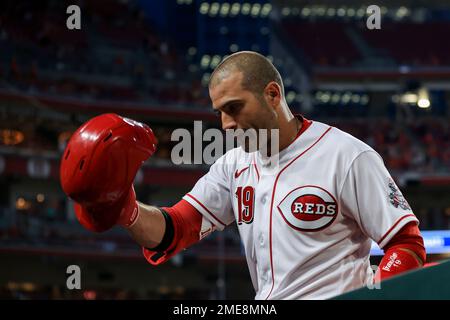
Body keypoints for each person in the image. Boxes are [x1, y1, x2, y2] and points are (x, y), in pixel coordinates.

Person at [60, 51, 425, 299]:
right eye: (219, 112)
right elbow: (177, 228)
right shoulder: (233, 164)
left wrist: (378, 294)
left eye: (234, 108)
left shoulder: (347, 156)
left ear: (272, 94)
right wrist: (128, 211)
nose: (227, 124)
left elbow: (406, 244)